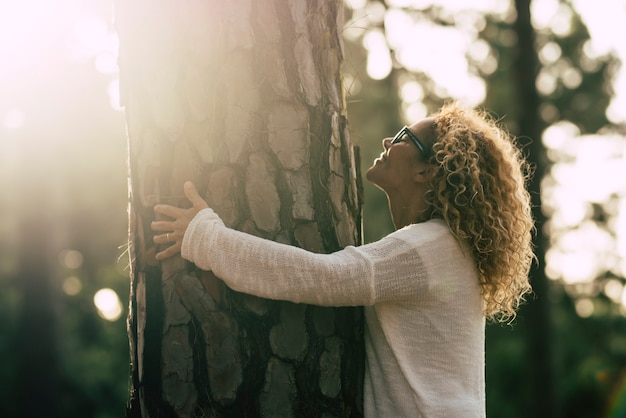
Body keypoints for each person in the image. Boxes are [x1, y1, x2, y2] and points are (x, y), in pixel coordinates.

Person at [151, 102, 534, 418]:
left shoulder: (430, 247)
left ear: (426, 171)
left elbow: (321, 277)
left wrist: (206, 238)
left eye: (404, 137)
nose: (389, 139)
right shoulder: (446, 248)